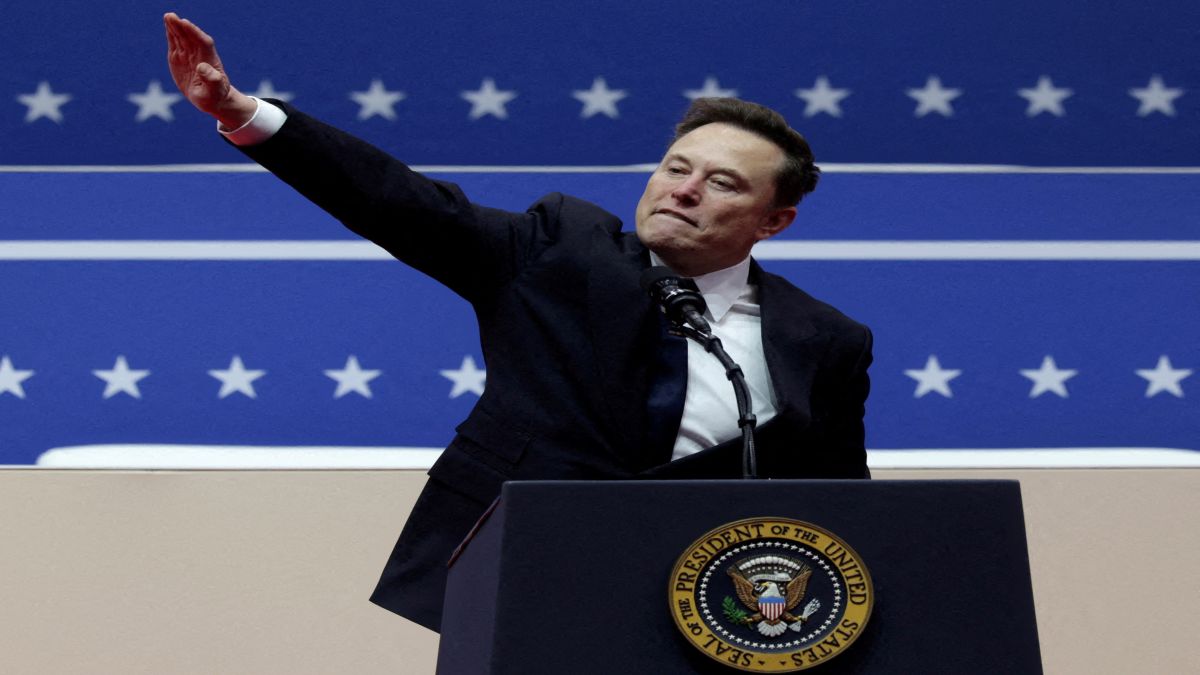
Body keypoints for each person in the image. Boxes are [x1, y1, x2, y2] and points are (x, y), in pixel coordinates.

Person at [164, 12, 873, 633]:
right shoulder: (559, 249)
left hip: (711, 601)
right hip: (528, 572)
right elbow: (400, 203)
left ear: (774, 220)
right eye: (675, 167)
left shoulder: (825, 338)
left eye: (720, 182)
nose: (683, 190)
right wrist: (241, 111)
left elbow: (840, 496)